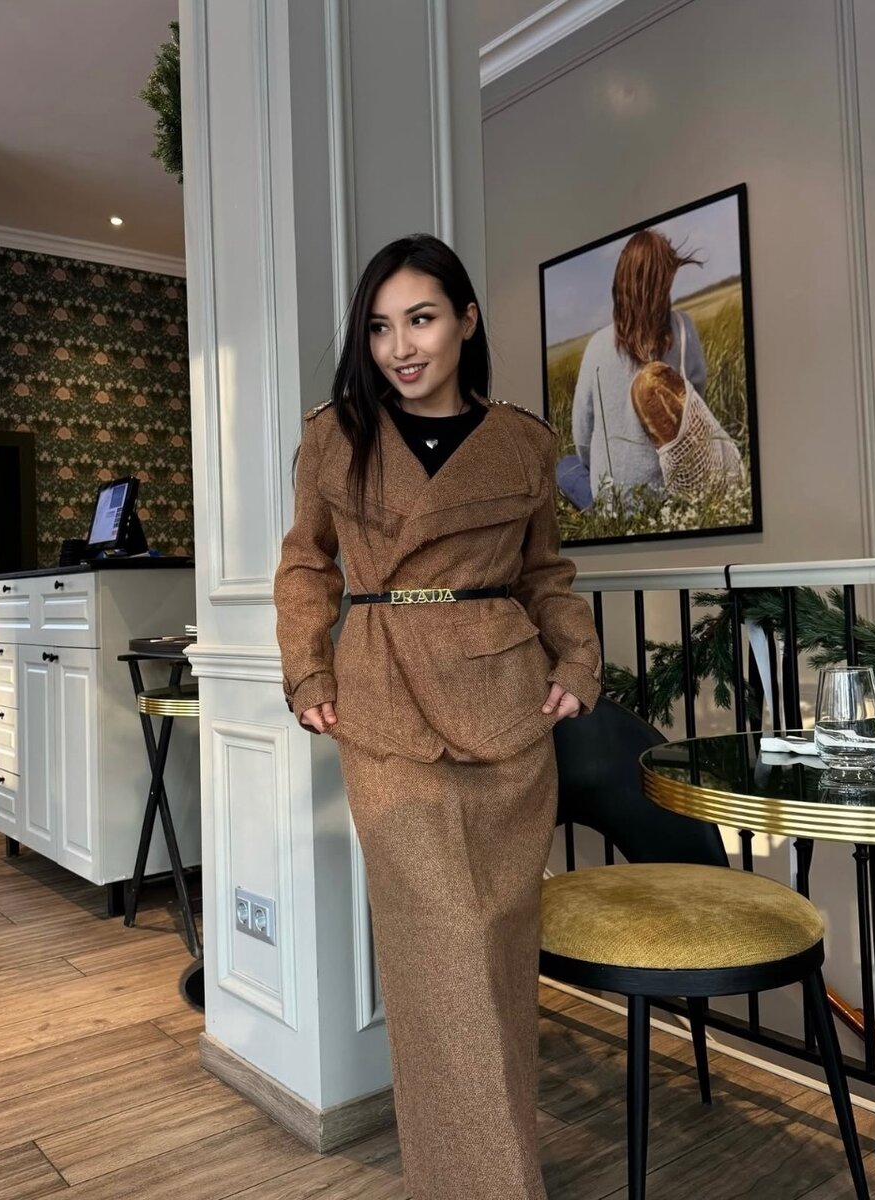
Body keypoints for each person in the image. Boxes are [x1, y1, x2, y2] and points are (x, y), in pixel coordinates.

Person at [273, 233, 602, 1200]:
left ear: (465, 319)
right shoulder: (334, 436)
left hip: (506, 710)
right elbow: (305, 564)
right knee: (439, 953)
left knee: (497, 944)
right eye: (379, 328)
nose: (399, 347)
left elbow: (545, 574)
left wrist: (577, 662)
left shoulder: (521, 441)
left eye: (419, 319)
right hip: (382, 706)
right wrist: (307, 670)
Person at [559, 228, 736, 509]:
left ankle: (599, 512)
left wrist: (603, 470)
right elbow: (695, 403)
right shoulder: (684, 329)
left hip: (615, 502)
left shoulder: (596, 346)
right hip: (672, 491)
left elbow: (582, 436)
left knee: (565, 467)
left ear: (620, 283)